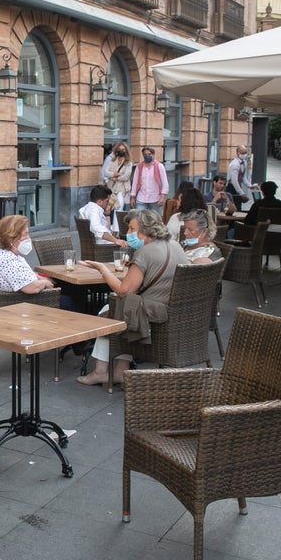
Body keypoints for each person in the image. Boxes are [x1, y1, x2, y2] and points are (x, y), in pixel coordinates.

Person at [76, 210, 187, 387]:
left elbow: (123, 291)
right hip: (174, 310)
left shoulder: (146, 252)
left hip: (150, 312)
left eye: (132, 228)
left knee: (109, 311)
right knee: (118, 307)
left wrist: (102, 269)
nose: (128, 233)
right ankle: (121, 369)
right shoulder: (176, 246)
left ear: (145, 229)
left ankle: (100, 371)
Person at [0, 215, 55, 294]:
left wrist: (37, 277)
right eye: (25, 234)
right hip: (24, 302)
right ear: (11, 237)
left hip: (1, 299)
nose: (28, 238)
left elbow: (17, 275)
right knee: (68, 300)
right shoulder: (9, 260)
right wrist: (44, 283)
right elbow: (31, 288)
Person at [100, 143, 133, 228]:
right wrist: (116, 174)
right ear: (116, 150)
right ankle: (108, 228)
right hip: (111, 189)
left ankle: (116, 231)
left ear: (126, 151)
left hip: (121, 189)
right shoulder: (111, 161)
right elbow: (105, 172)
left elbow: (126, 176)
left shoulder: (128, 163)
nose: (121, 151)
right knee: (108, 208)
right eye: (119, 149)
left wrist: (114, 178)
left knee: (119, 209)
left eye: (123, 149)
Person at [130, 146, 168, 212]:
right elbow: (135, 182)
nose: (147, 156)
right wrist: (133, 197)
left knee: (154, 220)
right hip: (141, 198)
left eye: (149, 154)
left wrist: (162, 197)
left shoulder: (159, 166)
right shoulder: (139, 167)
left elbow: (164, 182)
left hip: (155, 198)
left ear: (153, 155)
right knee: (140, 218)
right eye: (145, 154)